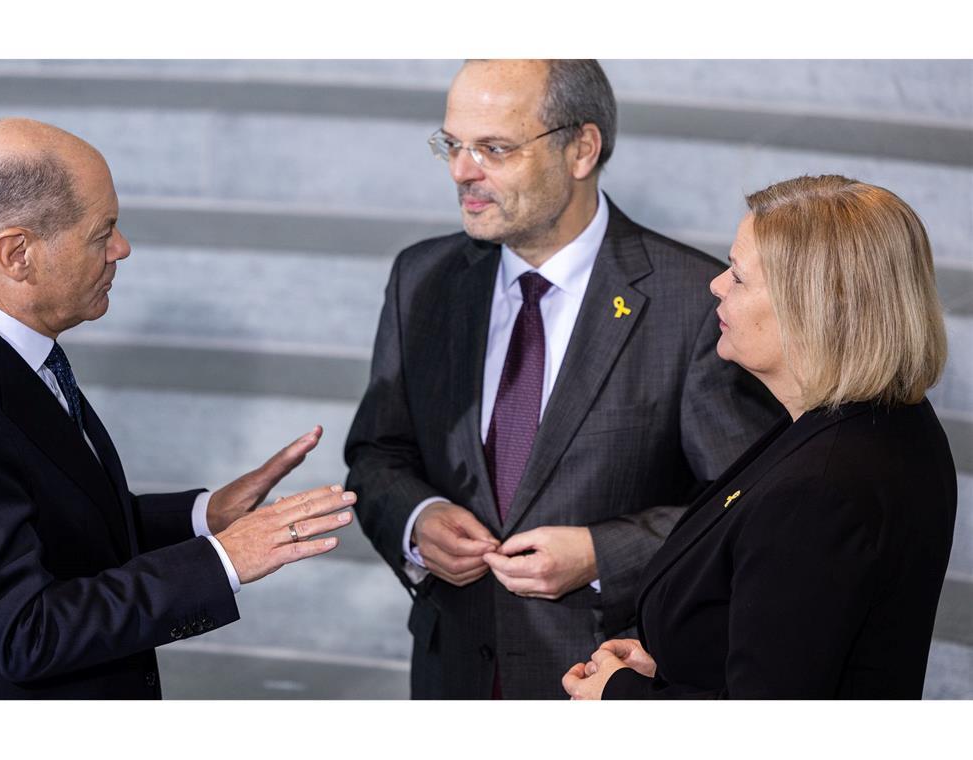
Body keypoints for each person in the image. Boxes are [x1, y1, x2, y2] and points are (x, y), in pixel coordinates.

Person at [0, 118, 355, 699]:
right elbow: (27, 632)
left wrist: (204, 517)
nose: (122, 248)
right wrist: (223, 560)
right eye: (104, 232)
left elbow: (58, 531)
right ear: (18, 253)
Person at [343, 59, 783, 699]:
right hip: (452, 678)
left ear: (582, 148)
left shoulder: (694, 300)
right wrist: (418, 518)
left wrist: (604, 554)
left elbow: (749, 505)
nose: (462, 171)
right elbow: (378, 454)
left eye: (494, 148)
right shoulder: (422, 280)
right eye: (453, 145)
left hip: (607, 683)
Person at [563, 175, 957, 699]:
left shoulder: (820, 489)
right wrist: (672, 667)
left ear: (814, 305)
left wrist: (620, 699)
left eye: (740, 277)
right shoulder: (878, 422)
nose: (716, 285)